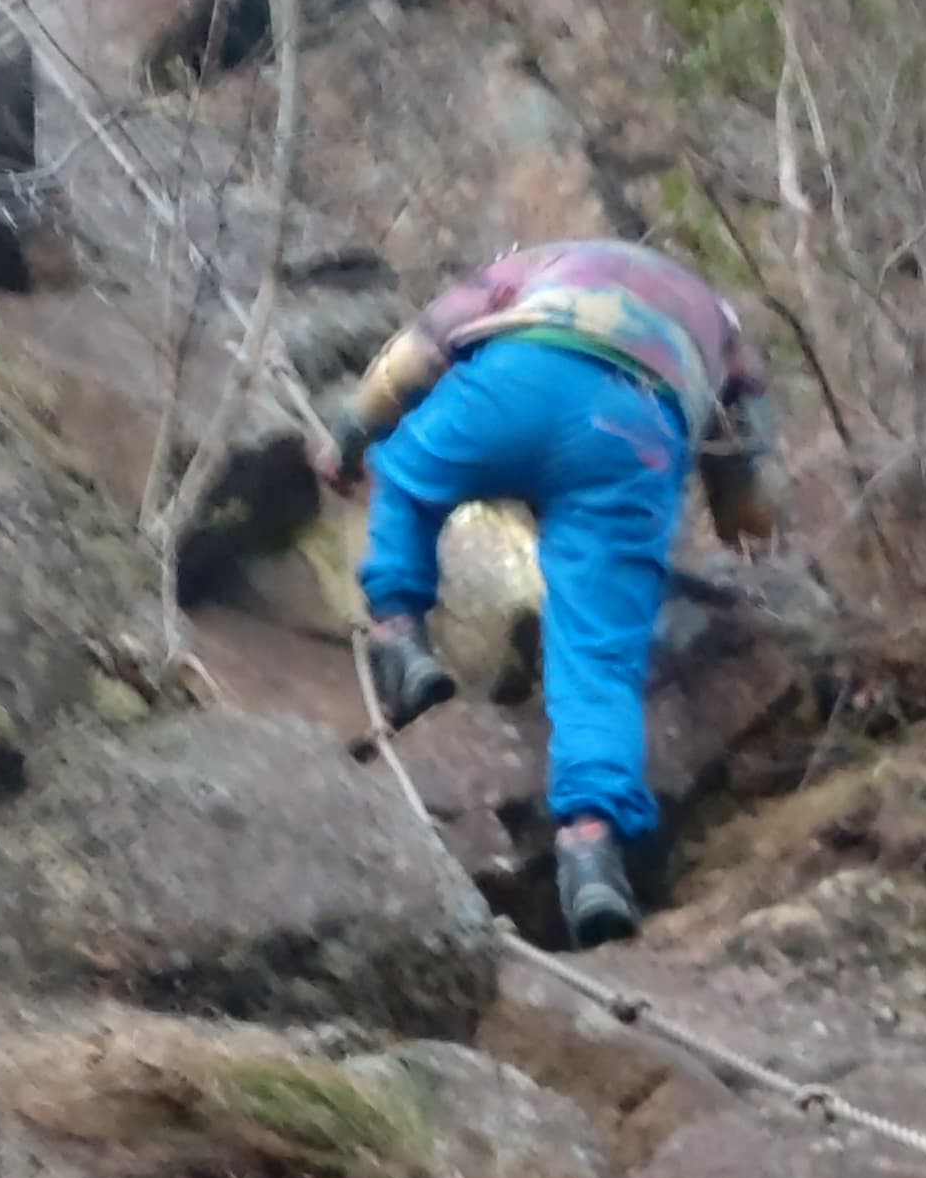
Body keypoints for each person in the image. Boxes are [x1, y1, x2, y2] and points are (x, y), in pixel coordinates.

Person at [312, 236, 781, 946]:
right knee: (600, 656)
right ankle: (591, 851)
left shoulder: (542, 263)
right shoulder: (719, 323)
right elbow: (744, 479)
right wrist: (749, 533)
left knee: (406, 475)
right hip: (636, 428)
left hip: (522, 373)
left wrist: (348, 439)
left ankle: (401, 636)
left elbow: (422, 350)